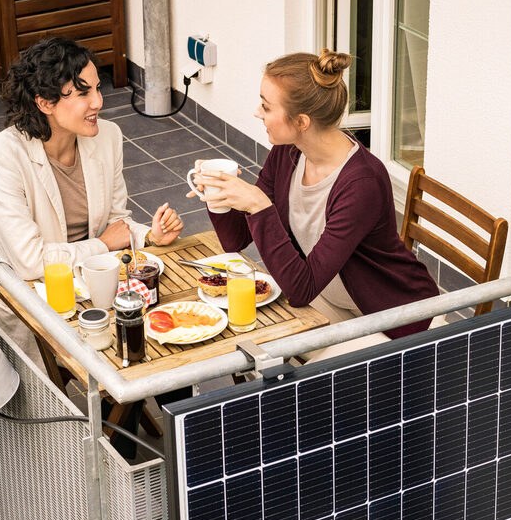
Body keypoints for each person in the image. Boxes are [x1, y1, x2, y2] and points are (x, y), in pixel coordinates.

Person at [188, 49, 438, 354]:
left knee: (282, 362)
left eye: (266, 107)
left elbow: (301, 288)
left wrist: (259, 207)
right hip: (331, 296)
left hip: (392, 317)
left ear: (302, 121)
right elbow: (234, 239)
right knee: (252, 335)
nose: (257, 112)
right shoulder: (288, 151)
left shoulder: (361, 183)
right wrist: (217, 194)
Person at [0, 37, 183, 363]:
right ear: (45, 102)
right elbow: (30, 262)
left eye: (98, 89)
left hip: (94, 287)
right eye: (84, 92)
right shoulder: (2, 157)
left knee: (166, 332)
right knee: (137, 346)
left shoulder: (107, 137)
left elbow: (117, 220)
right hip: (33, 302)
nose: (98, 102)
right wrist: (102, 245)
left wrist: (149, 235)